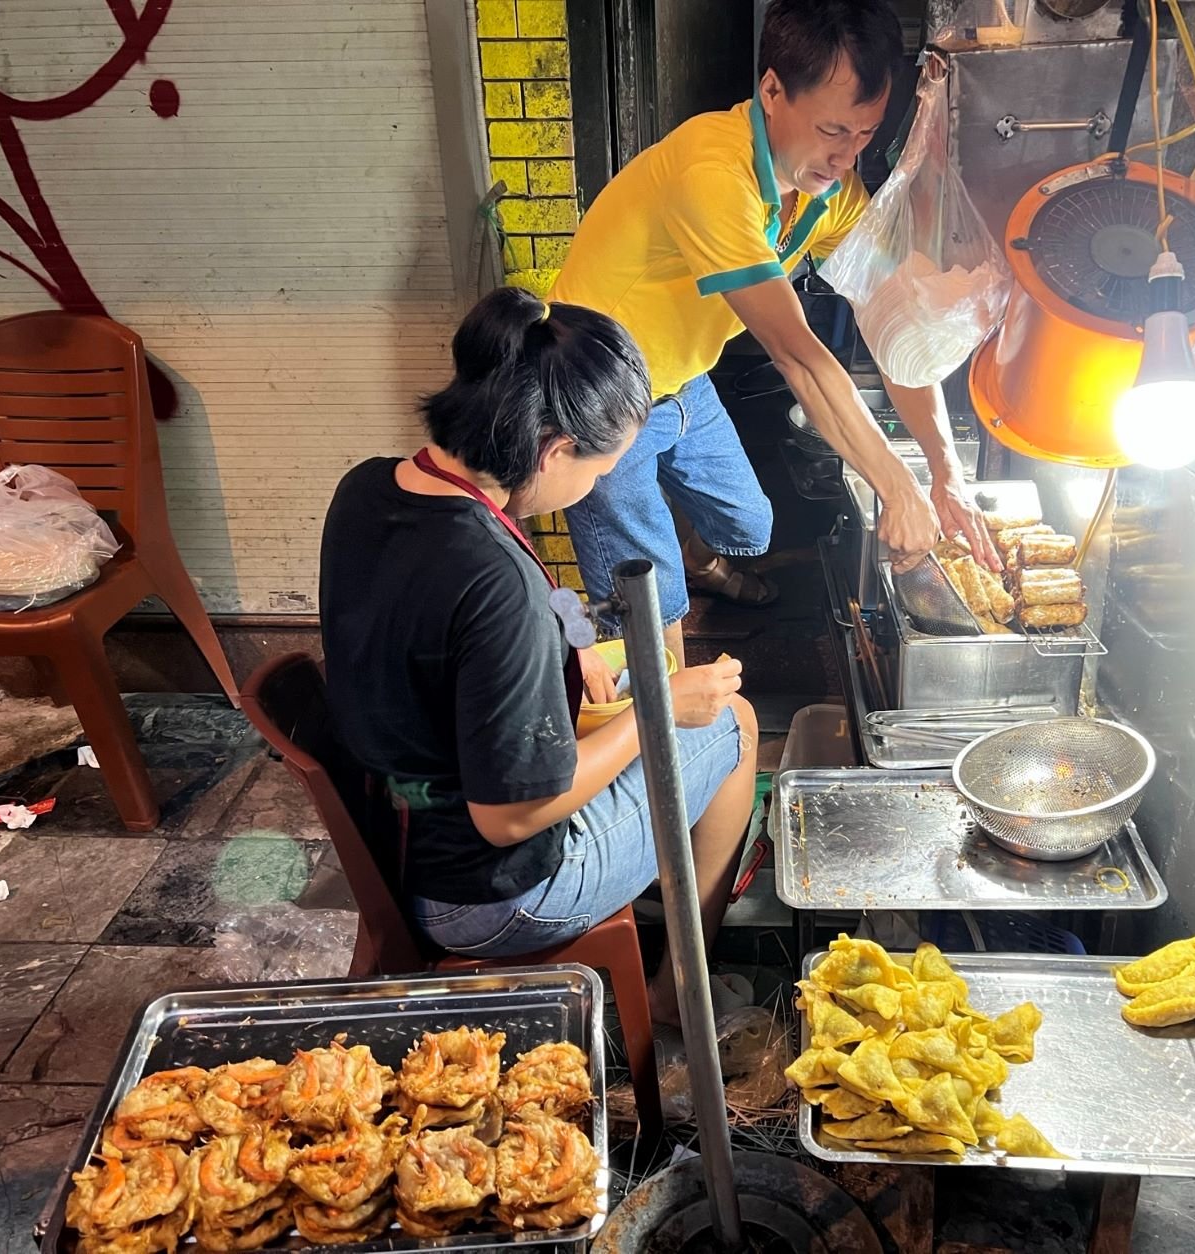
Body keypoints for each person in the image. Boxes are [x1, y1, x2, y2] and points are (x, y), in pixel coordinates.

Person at [319, 287, 758, 1025]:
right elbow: (510, 817)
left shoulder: (369, 488)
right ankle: (677, 992)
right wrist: (659, 709)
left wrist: (574, 638)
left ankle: (651, 874)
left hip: (403, 829)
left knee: (661, 710)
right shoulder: (494, 584)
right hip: (490, 895)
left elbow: (483, 606)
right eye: (599, 471)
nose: (593, 488)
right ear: (555, 449)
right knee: (732, 726)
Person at [551, 0, 1000, 664]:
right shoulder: (713, 173)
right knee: (652, 615)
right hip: (595, 392)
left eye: (865, 137)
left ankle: (693, 555)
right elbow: (797, 353)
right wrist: (897, 487)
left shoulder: (829, 195)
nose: (845, 158)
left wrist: (944, 468)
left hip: (679, 375)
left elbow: (894, 330)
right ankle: (660, 716)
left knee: (750, 526)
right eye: (831, 130)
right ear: (771, 91)